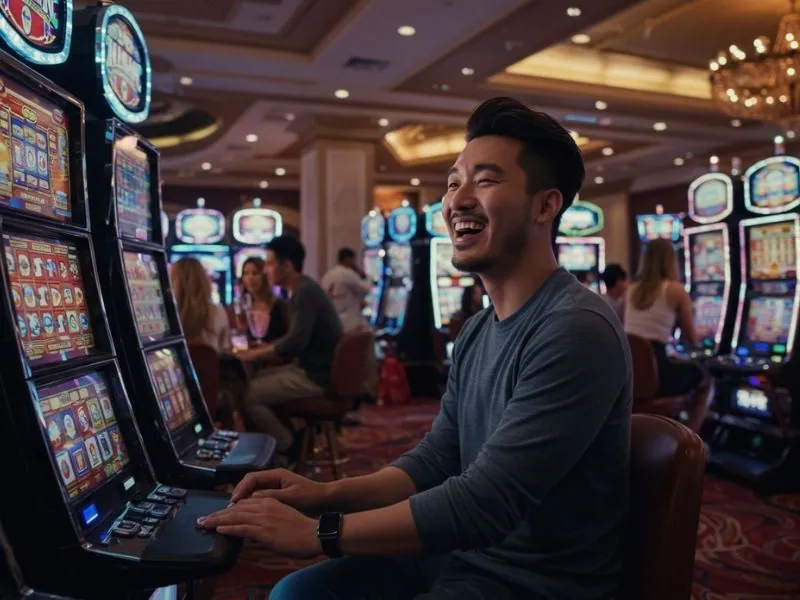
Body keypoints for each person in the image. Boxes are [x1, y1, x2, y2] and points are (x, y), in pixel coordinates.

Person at [197, 97, 633, 600]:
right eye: (453, 183)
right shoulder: (476, 331)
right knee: (295, 594)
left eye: (485, 181)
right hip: (458, 556)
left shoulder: (574, 327)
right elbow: (437, 460)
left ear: (545, 204)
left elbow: (486, 503)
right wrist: (321, 496)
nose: (457, 200)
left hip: (532, 582)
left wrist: (320, 533)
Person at [236, 236, 343, 458]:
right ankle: (292, 438)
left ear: (287, 266)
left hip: (316, 376)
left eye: (270, 264)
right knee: (255, 380)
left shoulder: (304, 292)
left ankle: (288, 446)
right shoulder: (302, 289)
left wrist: (255, 353)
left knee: (249, 394)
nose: (266, 271)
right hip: (314, 368)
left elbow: (295, 342)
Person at [624, 238, 713, 432]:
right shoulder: (675, 290)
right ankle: (691, 438)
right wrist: (707, 332)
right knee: (706, 380)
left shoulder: (631, 290)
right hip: (657, 371)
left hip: (629, 373)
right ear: (671, 260)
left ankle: (671, 431)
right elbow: (692, 339)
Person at [170, 257, 230, 353]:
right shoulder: (218, 311)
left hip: (175, 367)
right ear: (204, 280)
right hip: (211, 367)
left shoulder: (167, 314)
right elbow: (225, 349)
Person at [237, 256, 289, 343]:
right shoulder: (243, 306)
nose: (250, 278)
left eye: (255, 273)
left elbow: (288, 341)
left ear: (265, 276)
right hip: (249, 354)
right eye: (246, 273)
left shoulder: (280, 306)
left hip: (272, 355)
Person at [321, 247, 372, 332]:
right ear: (349, 259)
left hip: (333, 318)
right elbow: (365, 288)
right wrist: (365, 276)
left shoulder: (327, 275)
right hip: (349, 319)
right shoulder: (347, 273)